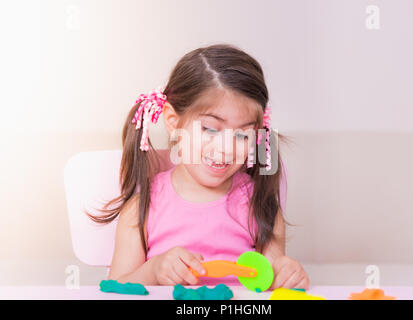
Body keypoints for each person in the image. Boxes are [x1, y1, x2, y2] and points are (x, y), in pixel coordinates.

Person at [88, 44, 310, 290]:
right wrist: (153, 270)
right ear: (173, 122)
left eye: (242, 134)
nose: (226, 148)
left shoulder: (260, 203)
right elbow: (114, 290)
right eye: (210, 129)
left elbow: (271, 282)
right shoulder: (142, 207)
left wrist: (287, 277)